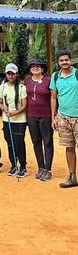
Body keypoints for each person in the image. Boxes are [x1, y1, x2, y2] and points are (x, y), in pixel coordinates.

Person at [50, 50, 78, 188]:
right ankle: (72, 176)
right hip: (63, 117)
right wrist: (53, 117)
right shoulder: (55, 77)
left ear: (70, 60)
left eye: (66, 60)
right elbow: (53, 97)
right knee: (69, 147)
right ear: (58, 62)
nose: (64, 63)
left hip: (77, 117)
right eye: (61, 61)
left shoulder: (77, 74)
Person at [24, 58, 53, 182]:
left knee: (47, 142)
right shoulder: (27, 81)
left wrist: (54, 115)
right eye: (33, 66)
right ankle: (40, 166)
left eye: (38, 66)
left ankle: (48, 168)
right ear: (30, 69)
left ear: (42, 68)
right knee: (36, 141)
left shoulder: (48, 80)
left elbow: (53, 98)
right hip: (31, 115)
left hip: (46, 115)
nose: (35, 68)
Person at [0, 63, 28, 178]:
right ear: (6, 74)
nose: (10, 76)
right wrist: (4, 110)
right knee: (10, 143)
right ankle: (13, 165)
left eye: (13, 74)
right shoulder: (3, 87)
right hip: (7, 119)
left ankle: (23, 166)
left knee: (19, 143)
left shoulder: (21, 87)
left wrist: (14, 113)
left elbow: (24, 105)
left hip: (19, 120)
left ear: (16, 74)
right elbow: (0, 103)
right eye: (8, 73)